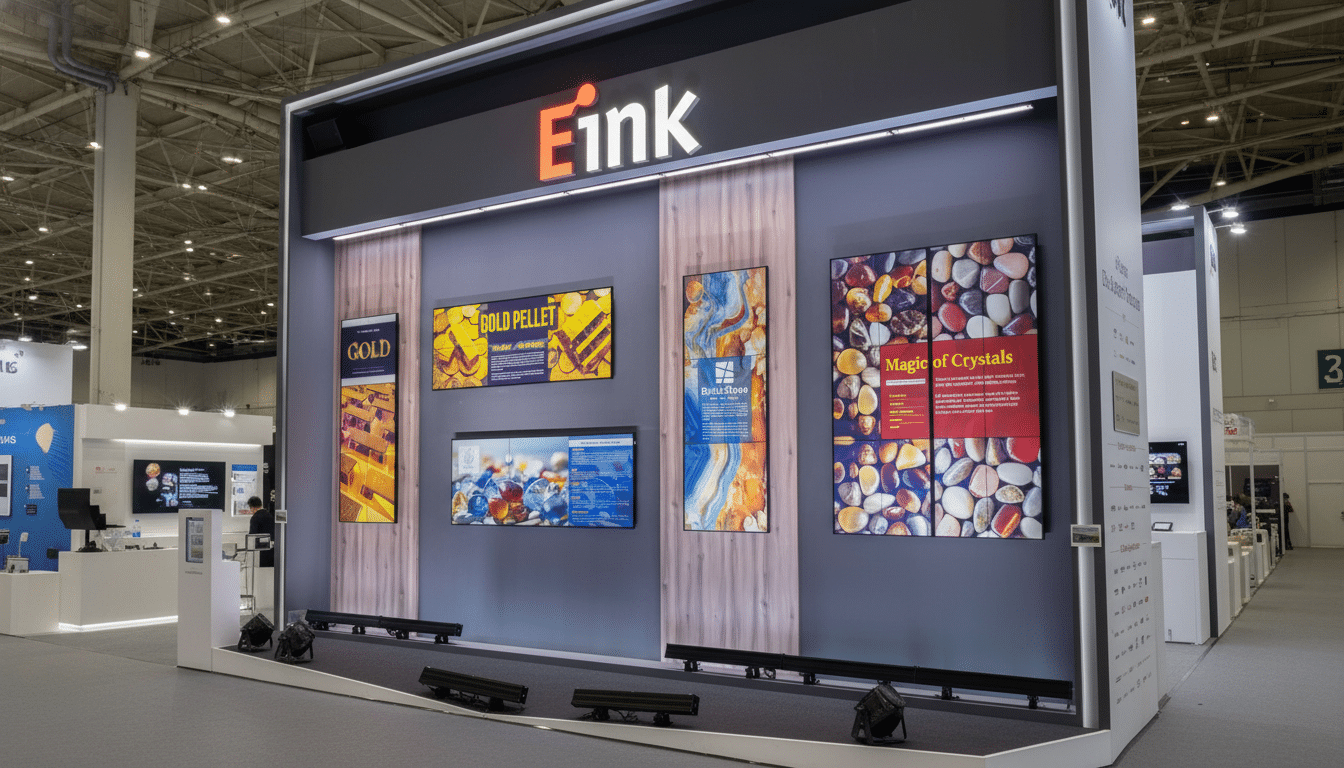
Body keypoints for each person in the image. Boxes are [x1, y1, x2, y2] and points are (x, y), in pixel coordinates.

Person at [246, 496, 275, 567]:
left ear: (252, 507)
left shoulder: (255, 518)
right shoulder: (270, 515)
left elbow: (252, 537)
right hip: (272, 551)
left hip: (260, 553)